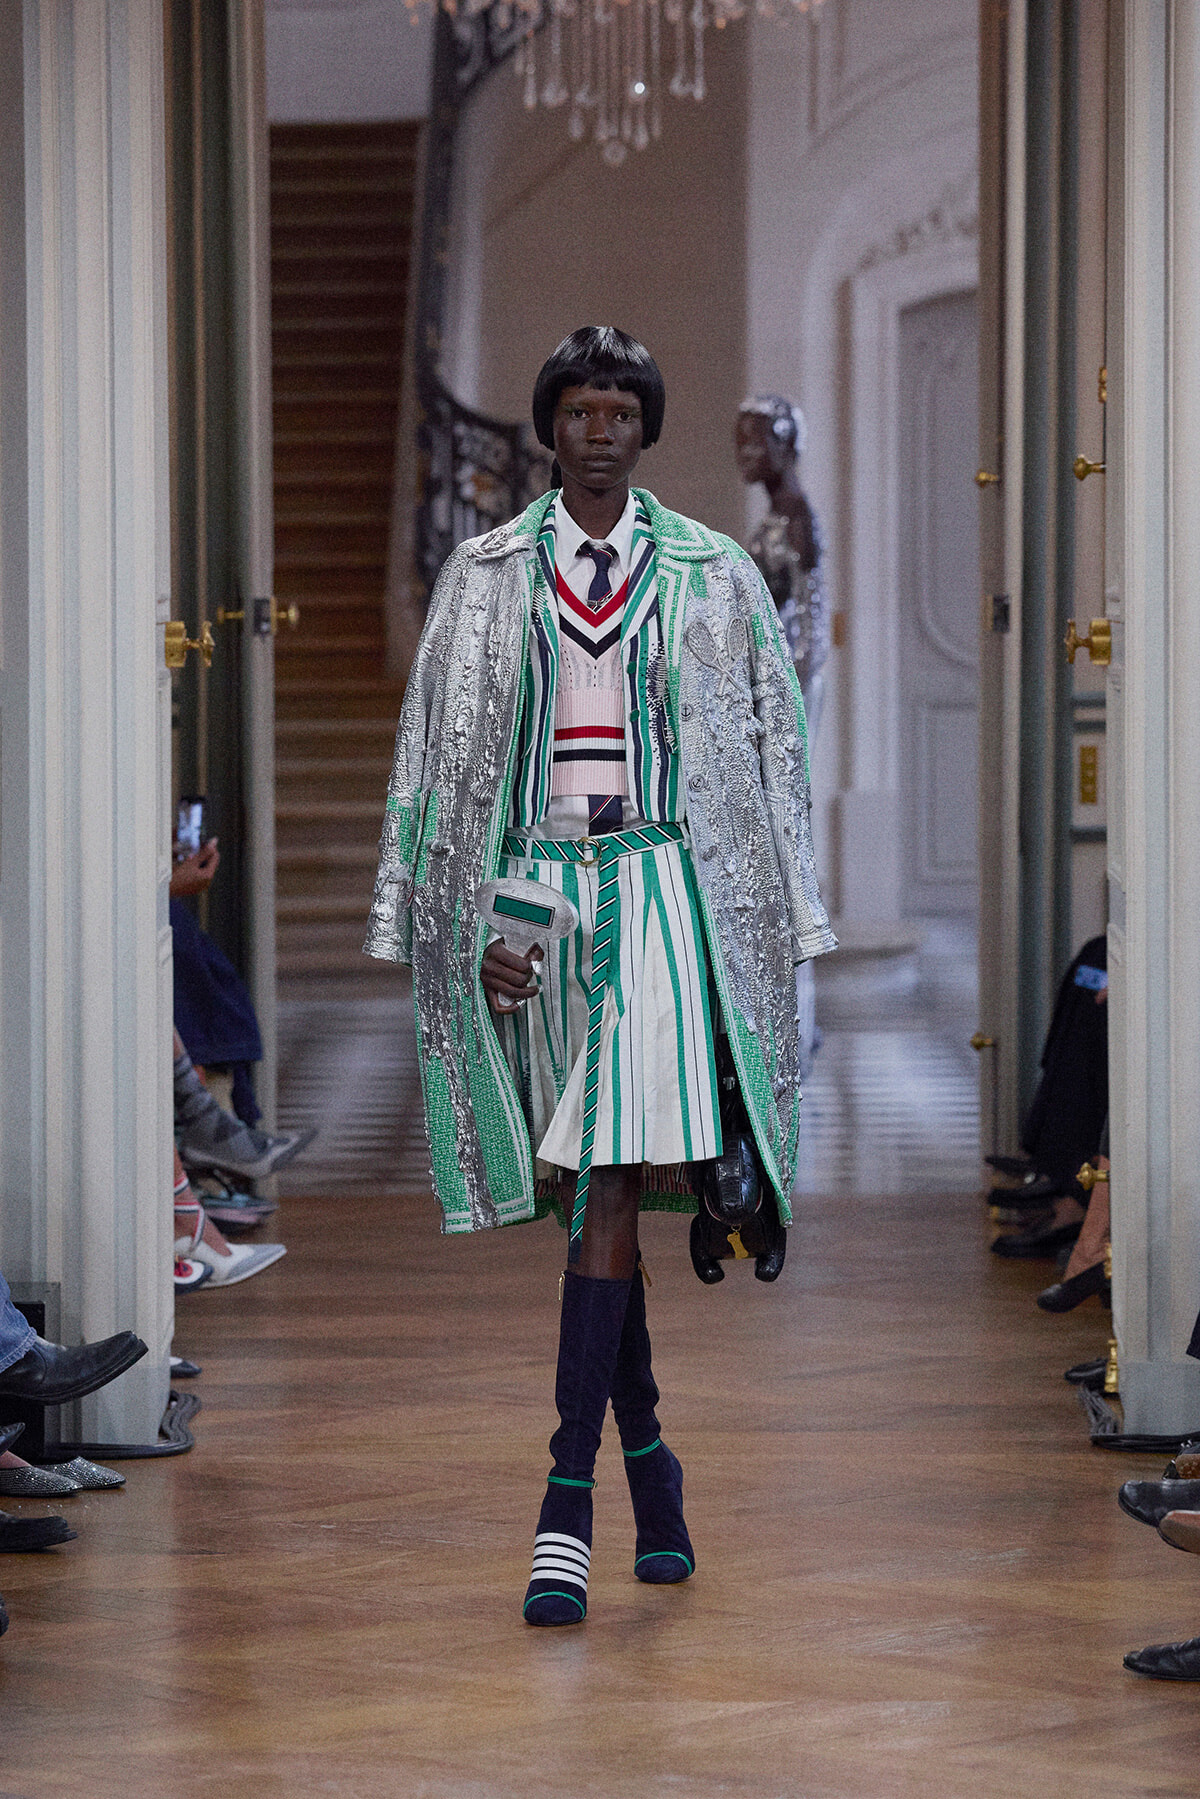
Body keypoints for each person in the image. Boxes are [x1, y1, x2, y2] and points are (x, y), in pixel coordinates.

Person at [366, 325, 836, 1627]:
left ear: (647, 424)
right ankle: (654, 1465)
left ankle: (564, 1496)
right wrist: (447, 922)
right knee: (582, 1191)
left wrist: (791, 919)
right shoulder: (489, 571)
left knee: (617, 1178)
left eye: (622, 405)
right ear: (549, 426)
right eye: (579, 406)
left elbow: (769, 739)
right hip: (535, 897)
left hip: (665, 891)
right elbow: (437, 747)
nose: (601, 426)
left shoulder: (713, 572)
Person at [735, 395, 829, 740]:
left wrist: (791, 686)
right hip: (769, 675)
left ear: (784, 445)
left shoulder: (797, 516)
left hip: (788, 681)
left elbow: (812, 611)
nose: (743, 453)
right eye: (739, 442)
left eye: (754, 443)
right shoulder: (779, 514)